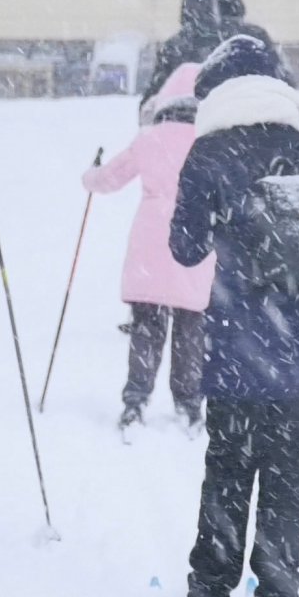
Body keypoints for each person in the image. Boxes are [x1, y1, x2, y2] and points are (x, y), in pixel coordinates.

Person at [167, 35, 299, 597]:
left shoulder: (210, 152)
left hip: (241, 344)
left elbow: (184, 249)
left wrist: (220, 214)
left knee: (228, 467)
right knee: (289, 470)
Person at [81, 63, 216, 430]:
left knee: (147, 326)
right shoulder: (210, 141)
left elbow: (110, 178)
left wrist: (90, 177)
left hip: (151, 241)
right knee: (191, 325)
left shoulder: (149, 138)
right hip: (196, 240)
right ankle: (189, 402)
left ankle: (136, 400)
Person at [139, 0, 276, 121]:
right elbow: (281, 84)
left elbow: (150, 104)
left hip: (186, 128)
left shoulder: (175, 46)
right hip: (251, 126)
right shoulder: (254, 38)